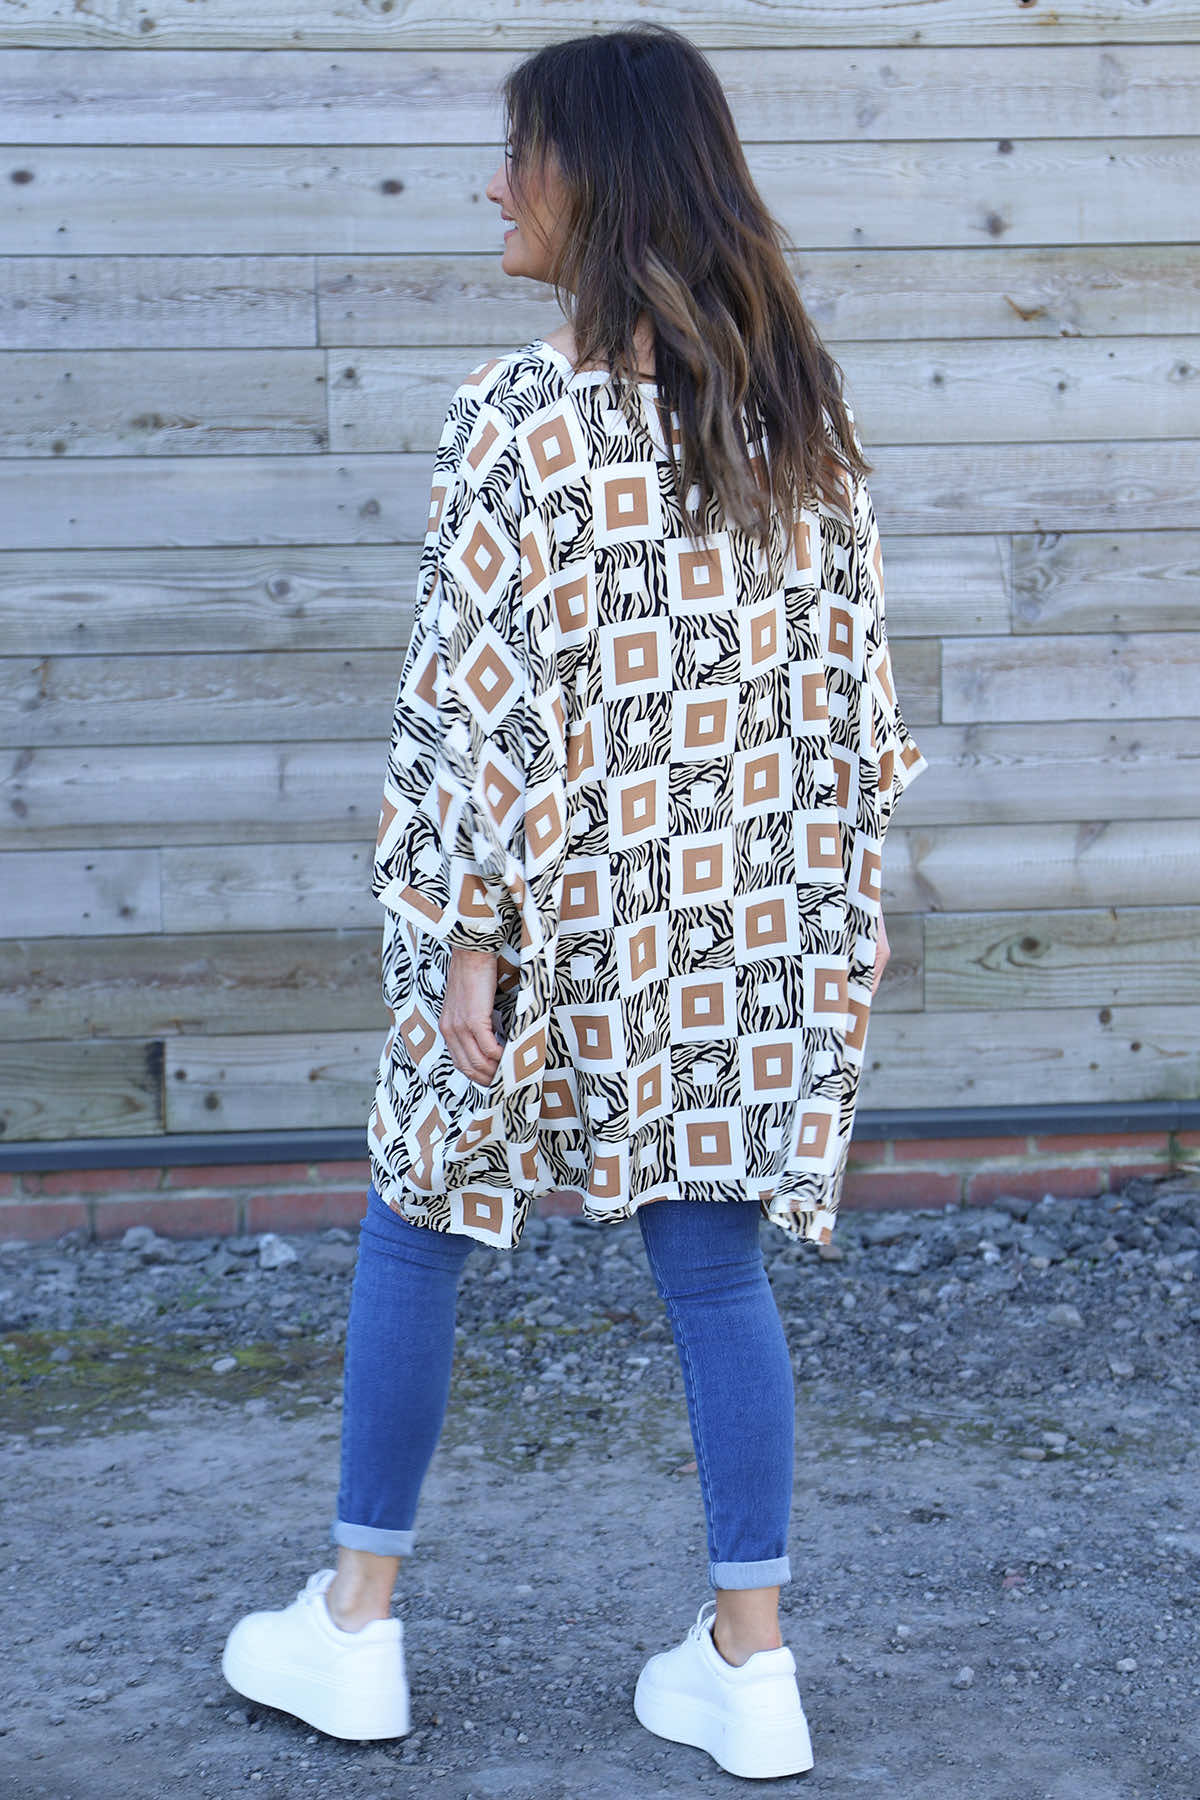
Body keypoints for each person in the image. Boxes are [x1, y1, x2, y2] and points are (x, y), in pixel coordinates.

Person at [221, 23, 927, 1781]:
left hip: (540, 918)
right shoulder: (799, 418)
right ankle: (754, 1664)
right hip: (735, 918)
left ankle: (356, 1630)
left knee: (419, 1218)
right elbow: (850, 703)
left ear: (593, 180)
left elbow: (474, 707)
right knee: (713, 1265)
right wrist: (832, 910)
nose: (493, 187)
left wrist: (468, 931)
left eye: (517, 154)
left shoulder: (518, 419)